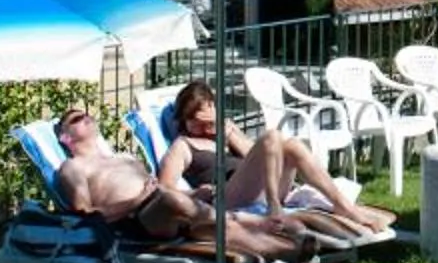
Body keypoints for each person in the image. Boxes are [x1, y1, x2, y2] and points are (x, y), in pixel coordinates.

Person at [49, 106, 312, 263]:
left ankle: (291, 252)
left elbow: (157, 188)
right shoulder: (72, 168)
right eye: (75, 119)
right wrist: (138, 199)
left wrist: (193, 193)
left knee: (213, 230)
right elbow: (85, 215)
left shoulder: (124, 157)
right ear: (65, 138)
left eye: (85, 114)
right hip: (135, 222)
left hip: (169, 209)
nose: (85, 116)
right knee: (170, 199)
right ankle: (250, 220)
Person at [161, 80, 398, 238]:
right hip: (225, 198)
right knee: (272, 136)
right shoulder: (182, 146)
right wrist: (194, 194)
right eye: (196, 122)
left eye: (208, 122)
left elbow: (262, 155)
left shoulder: (226, 132)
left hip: (259, 191)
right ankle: (275, 208)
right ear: (183, 119)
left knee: (292, 145)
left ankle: (344, 206)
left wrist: (228, 133)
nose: (203, 128)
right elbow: (164, 190)